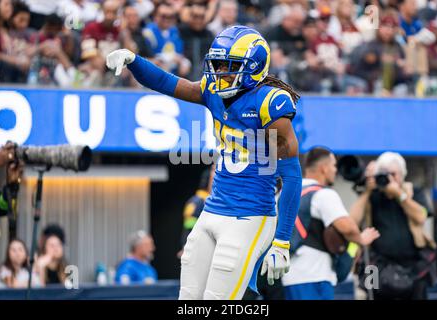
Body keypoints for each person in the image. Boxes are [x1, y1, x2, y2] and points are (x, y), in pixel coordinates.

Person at [106, 25, 303, 300]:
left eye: (229, 66)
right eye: (218, 64)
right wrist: (134, 61)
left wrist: (282, 241)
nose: (220, 72)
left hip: (249, 215)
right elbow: (169, 83)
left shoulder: (269, 103)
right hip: (213, 210)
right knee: (188, 299)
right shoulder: (212, 90)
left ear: (254, 66)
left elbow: (292, 176)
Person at [281, 147, 380, 300]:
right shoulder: (323, 194)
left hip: (288, 276)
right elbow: (347, 227)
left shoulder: (284, 193)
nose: (336, 171)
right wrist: (361, 239)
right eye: (334, 166)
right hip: (315, 277)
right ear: (324, 168)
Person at [351, 152, 436, 300]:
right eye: (385, 174)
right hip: (377, 265)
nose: (389, 178)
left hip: (412, 265)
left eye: (393, 174)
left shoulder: (414, 192)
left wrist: (399, 195)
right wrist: (367, 191)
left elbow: (421, 217)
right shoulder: (373, 194)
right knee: (372, 293)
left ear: (403, 175)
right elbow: (352, 220)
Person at [142, 2, 190, 76]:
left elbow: (181, 55)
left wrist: (183, 62)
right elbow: (144, 58)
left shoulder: (176, 31)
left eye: (171, 16)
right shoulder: (148, 32)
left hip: (174, 77)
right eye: (163, 16)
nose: (167, 19)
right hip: (152, 75)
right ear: (156, 16)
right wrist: (168, 58)